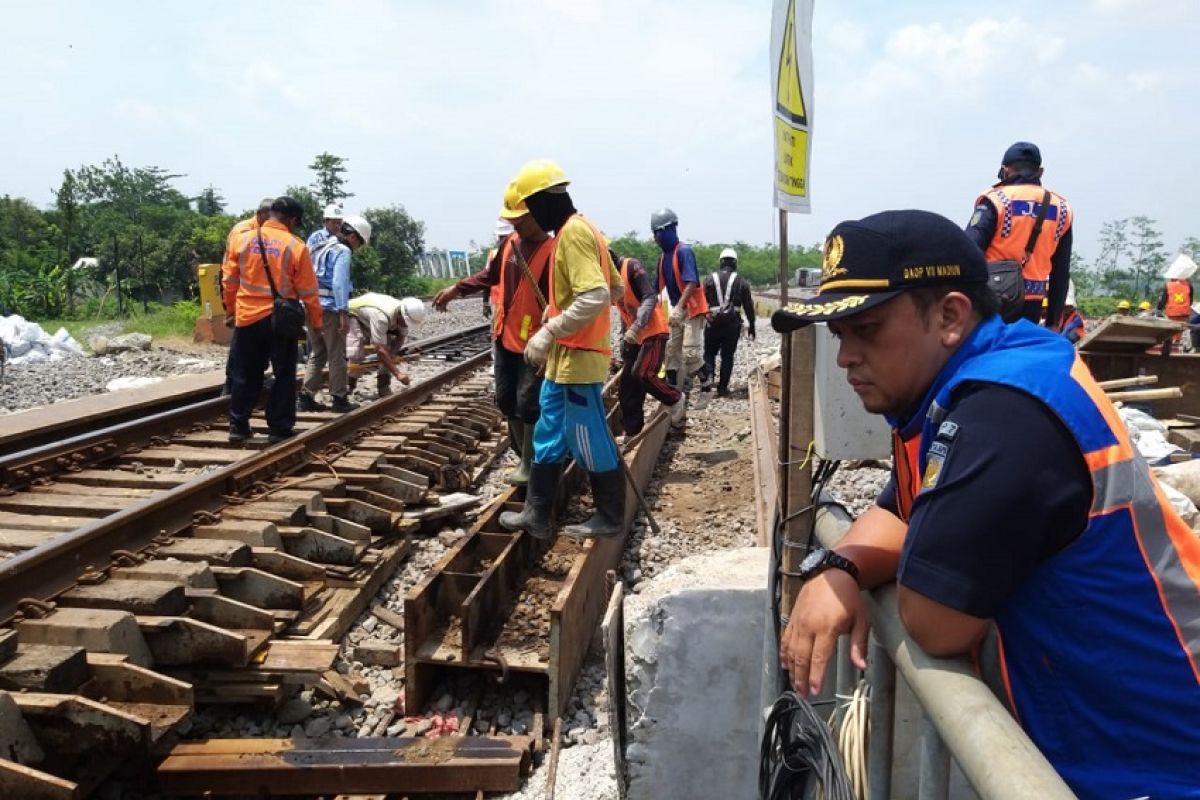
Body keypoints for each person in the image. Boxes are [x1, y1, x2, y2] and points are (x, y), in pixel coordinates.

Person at [770, 209, 1200, 799]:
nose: (845, 356)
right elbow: (901, 508)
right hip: (1097, 729)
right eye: (840, 334)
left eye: (866, 329)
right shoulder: (969, 380)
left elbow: (933, 619)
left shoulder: (1004, 413)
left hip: (1157, 757)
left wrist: (869, 563)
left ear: (949, 315)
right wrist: (841, 566)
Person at [498, 159, 624, 539]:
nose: (531, 216)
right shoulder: (588, 230)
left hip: (579, 359)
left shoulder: (571, 234)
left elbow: (598, 294)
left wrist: (550, 330)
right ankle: (536, 513)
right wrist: (558, 313)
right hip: (564, 359)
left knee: (588, 438)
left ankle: (610, 515)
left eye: (531, 208)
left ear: (541, 202)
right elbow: (615, 288)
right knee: (549, 431)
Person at [432, 183, 553, 485]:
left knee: (529, 403)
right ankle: (523, 454)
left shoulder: (553, 251)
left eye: (520, 220)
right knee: (505, 399)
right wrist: (457, 289)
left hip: (534, 341)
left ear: (536, 216)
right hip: (505, 336)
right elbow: (490, 276)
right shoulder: (511, 244)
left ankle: (531, 463)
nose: (515, 226)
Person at [222, 196, 322, 443]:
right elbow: (309, 291)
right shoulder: (295, 245)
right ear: (293, 220)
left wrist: (231, 311)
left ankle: (238, 425)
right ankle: (278, 427)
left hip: (246, 317)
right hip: (281, 320)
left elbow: (229, 281)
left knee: (245, 372)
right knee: (284, 373)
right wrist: (316, 324)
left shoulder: (242, 240)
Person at [965, 142, 1073, 327]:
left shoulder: (997, 200)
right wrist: (1053, 322)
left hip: (994, 298)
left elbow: (968, 250)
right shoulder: (1062, 208)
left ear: (1005, 171)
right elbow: (1061, 271)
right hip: (1033, 304)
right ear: (1040, 172)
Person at [299, 215, 371, 413]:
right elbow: (339, 283)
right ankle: (339, 397)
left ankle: (306, 395)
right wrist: (343, 313)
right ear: (354, 237)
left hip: (311, 305)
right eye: (360, 243)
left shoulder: (319, 245)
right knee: (337, 354)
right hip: (330, 308)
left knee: (317, 352)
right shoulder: (342, 250)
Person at [612, 248, 681, 436]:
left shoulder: (632, 267)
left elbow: (649, 296)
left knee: (643, 373)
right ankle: (632, 431)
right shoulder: (609, 281)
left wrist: (636, 327)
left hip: (653, 331)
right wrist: (623, 340)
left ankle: (675, 399)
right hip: (635, 336)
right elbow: (624, 310)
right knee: (627, 385)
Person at [651, 208, 709, 413]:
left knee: (690, 352)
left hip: (691, 309)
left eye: (656, 233)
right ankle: (674, 394)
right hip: (678, 309)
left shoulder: (683, 251)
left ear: (666, 230)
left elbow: (691, 282)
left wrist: (679, 307)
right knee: (671, 352)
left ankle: (706, 386)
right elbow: (655, 287)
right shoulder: (663, 258)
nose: (655, 238)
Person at [700, 247, 757, 397]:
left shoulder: (709, 279)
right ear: (735, 263)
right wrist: (752, 326)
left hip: (712, 323)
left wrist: (704, 317)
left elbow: (701, 301)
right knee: (727, 356)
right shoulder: (741, 282)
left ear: (721, 262)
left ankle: (709, 378)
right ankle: (722, 387)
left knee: (709, 353)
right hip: (732, 326)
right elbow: (749, 306)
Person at [346, 293, 426, 396]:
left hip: (373, 316)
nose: (406, 325)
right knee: (356, 353)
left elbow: (401, 337)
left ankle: (383, 386)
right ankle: (350, 385)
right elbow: (380, 350)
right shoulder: (381, 318)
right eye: (405, 322)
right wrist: (398, 374)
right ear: (400, 314)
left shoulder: (403, 313)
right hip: (353, 314)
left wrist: (391, 354)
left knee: (387, 354)